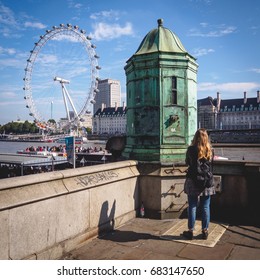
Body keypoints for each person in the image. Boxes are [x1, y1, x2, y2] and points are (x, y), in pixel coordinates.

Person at [182, 128, 215, 240]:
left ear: (195, 137)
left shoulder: (191, 149)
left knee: (192, 206)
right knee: (206, 206)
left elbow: (187, 162)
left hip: (193, 180)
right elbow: (211, 165)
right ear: (206, 138)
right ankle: (205, 230)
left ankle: (191, 231)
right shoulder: (210, 150)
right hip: (207, 181)